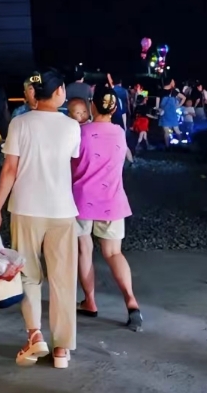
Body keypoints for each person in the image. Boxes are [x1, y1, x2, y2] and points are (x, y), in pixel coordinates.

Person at [0, 69, 80, 369]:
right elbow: (70, 162)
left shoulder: (20, 123)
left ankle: (35, 335)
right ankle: (61, 349)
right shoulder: (72, 126)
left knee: (27, 275)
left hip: (25, 207)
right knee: (63, 280)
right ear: (58, 92)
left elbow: (9, 170)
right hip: (62, 210)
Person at [73, 87, 142, 331]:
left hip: (81, 200)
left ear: (92, 105)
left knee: (84, 250)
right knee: (113, 253)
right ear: (114, 109)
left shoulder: (80, 132)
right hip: (112, 200)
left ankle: (90, 301)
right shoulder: (120, 133)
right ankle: (131, 302)